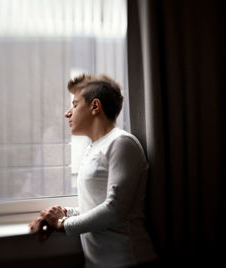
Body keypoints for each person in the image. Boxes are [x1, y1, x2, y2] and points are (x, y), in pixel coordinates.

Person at [29, 74, 157, 267]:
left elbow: (114, 210)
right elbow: (94, 206)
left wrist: (62, 224)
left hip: (128, 261)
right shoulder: (93, 148)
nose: (67, 113)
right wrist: (61, 213)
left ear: (95, 106)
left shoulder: (122, 143)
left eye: (74, 104)